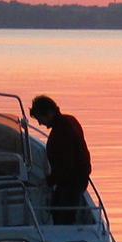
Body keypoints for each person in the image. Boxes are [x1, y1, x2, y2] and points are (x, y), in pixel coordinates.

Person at [29, 95, 92, 224]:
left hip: (72, 181)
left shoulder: (62, 133)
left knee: (63, 216)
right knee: (56, 208)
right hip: (73, 179)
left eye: (40, 118)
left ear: (49, 113)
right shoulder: (70, 121)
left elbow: (65, 167)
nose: (40, 123)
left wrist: (48, 180)